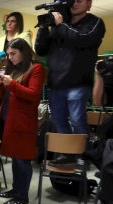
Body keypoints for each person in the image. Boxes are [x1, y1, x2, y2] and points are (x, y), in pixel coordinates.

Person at [35, 0, 105, 168]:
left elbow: (82, 39)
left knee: (77, 120)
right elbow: (41, 50)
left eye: (80, 1)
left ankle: (83, 157)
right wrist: (44, 28)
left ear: (89, 4)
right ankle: (68, 155)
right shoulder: (60, 25)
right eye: (73, 0)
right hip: (55, 85)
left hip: (78, 83)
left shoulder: (94, 22)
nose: (75, 3)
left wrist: (60, 25)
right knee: (59, 122)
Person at [0, 38, 46, 204]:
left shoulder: (36, 68)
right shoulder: (16, 70)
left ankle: (22, 195)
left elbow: (32, 95)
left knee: (22, 159)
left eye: (13, 54)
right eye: (8, 54)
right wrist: (0, 86)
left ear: (24, 51)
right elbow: (8, 97)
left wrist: (12, 83)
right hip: (10, 120)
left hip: (23, 122)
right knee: (15, 158)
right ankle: (16, 189)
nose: (10, 57)